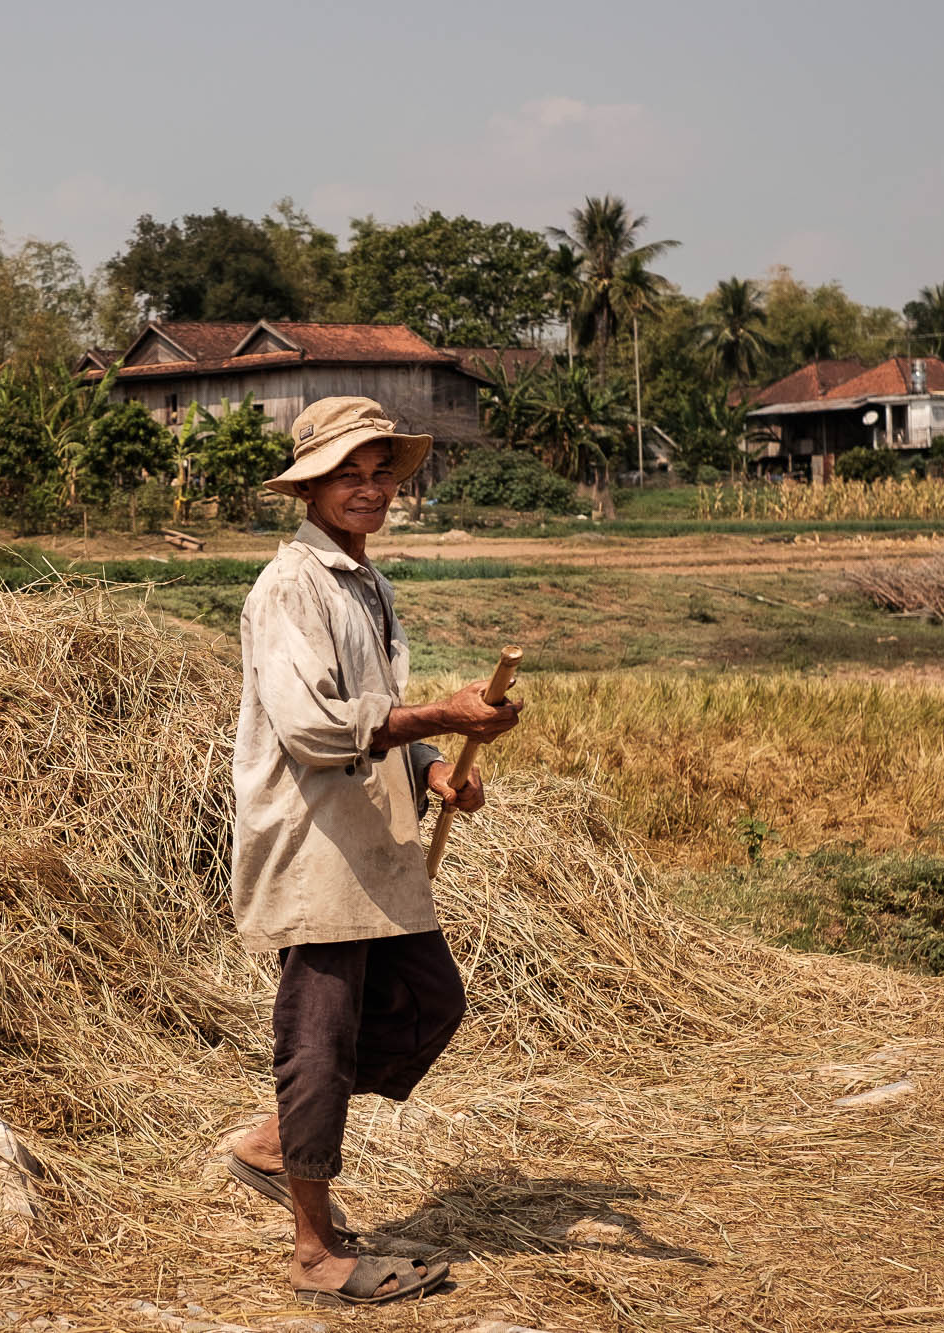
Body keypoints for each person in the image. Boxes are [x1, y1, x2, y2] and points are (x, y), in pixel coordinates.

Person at [222, 396, 522, 1307]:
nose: (370, 488)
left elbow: (374, 712)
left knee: (431, 1003)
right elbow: (316, 729)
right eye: (348, 473)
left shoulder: (368, 584)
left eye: (381, 471)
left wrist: (435, 768)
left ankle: (275, 1142)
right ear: (310, 486)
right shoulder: (289, 586)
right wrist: (442, 715)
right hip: (315, 843)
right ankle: (313, 1250)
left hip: (374, 839)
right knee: (318, 1037)